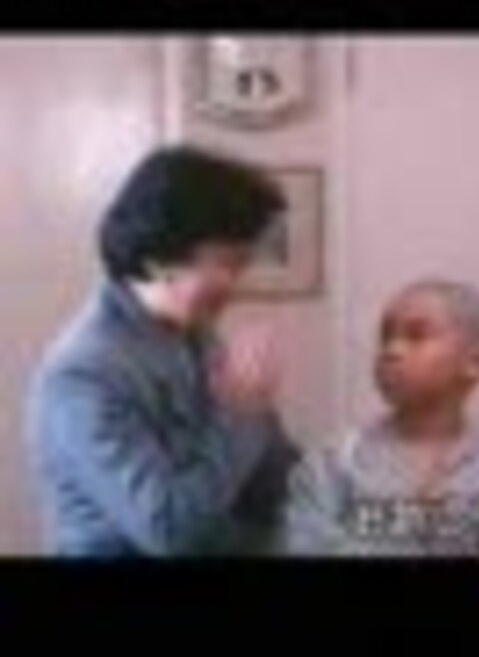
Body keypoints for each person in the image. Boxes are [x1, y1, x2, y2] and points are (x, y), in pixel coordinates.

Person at [27, 145, 301, 557]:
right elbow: (170, 531)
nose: (237, 285)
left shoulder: (196, 337)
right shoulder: (83, 374)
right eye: (228, 264)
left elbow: (269, 483)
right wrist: (243, 419)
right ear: (158, 258)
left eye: (243, 265)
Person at [283, 279, 479, 556]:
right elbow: (306, 545)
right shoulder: (336, 462)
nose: (391, 350)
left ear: (476, 362)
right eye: (385, 337)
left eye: (416, 336)